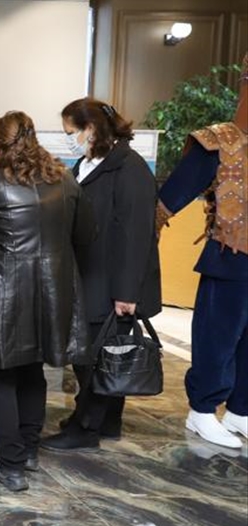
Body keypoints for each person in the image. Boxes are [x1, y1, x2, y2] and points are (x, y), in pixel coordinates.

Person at [0, 111, 93, 492]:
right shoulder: (65, 180)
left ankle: (9, 463)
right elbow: (85, 233)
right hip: (53, 292)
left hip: (6, 294)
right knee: (33, 371)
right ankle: (28, 451)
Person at [43, 99, 160, 451]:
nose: (68, 139)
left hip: (112, 282)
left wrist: (127, 293)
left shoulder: (130, 169)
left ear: (91, 129)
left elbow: (136, 236)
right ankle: (107, 419)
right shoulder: (89, 163)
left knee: (93, 356)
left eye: (71, 132)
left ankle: (86, 427)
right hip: (90, 274)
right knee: (108, 352)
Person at [156, 63, 247, 449]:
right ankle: (203, 410)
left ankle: (241, 410)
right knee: (218, 338)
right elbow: (169, 198)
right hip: (229, 257)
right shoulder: (217, 141)